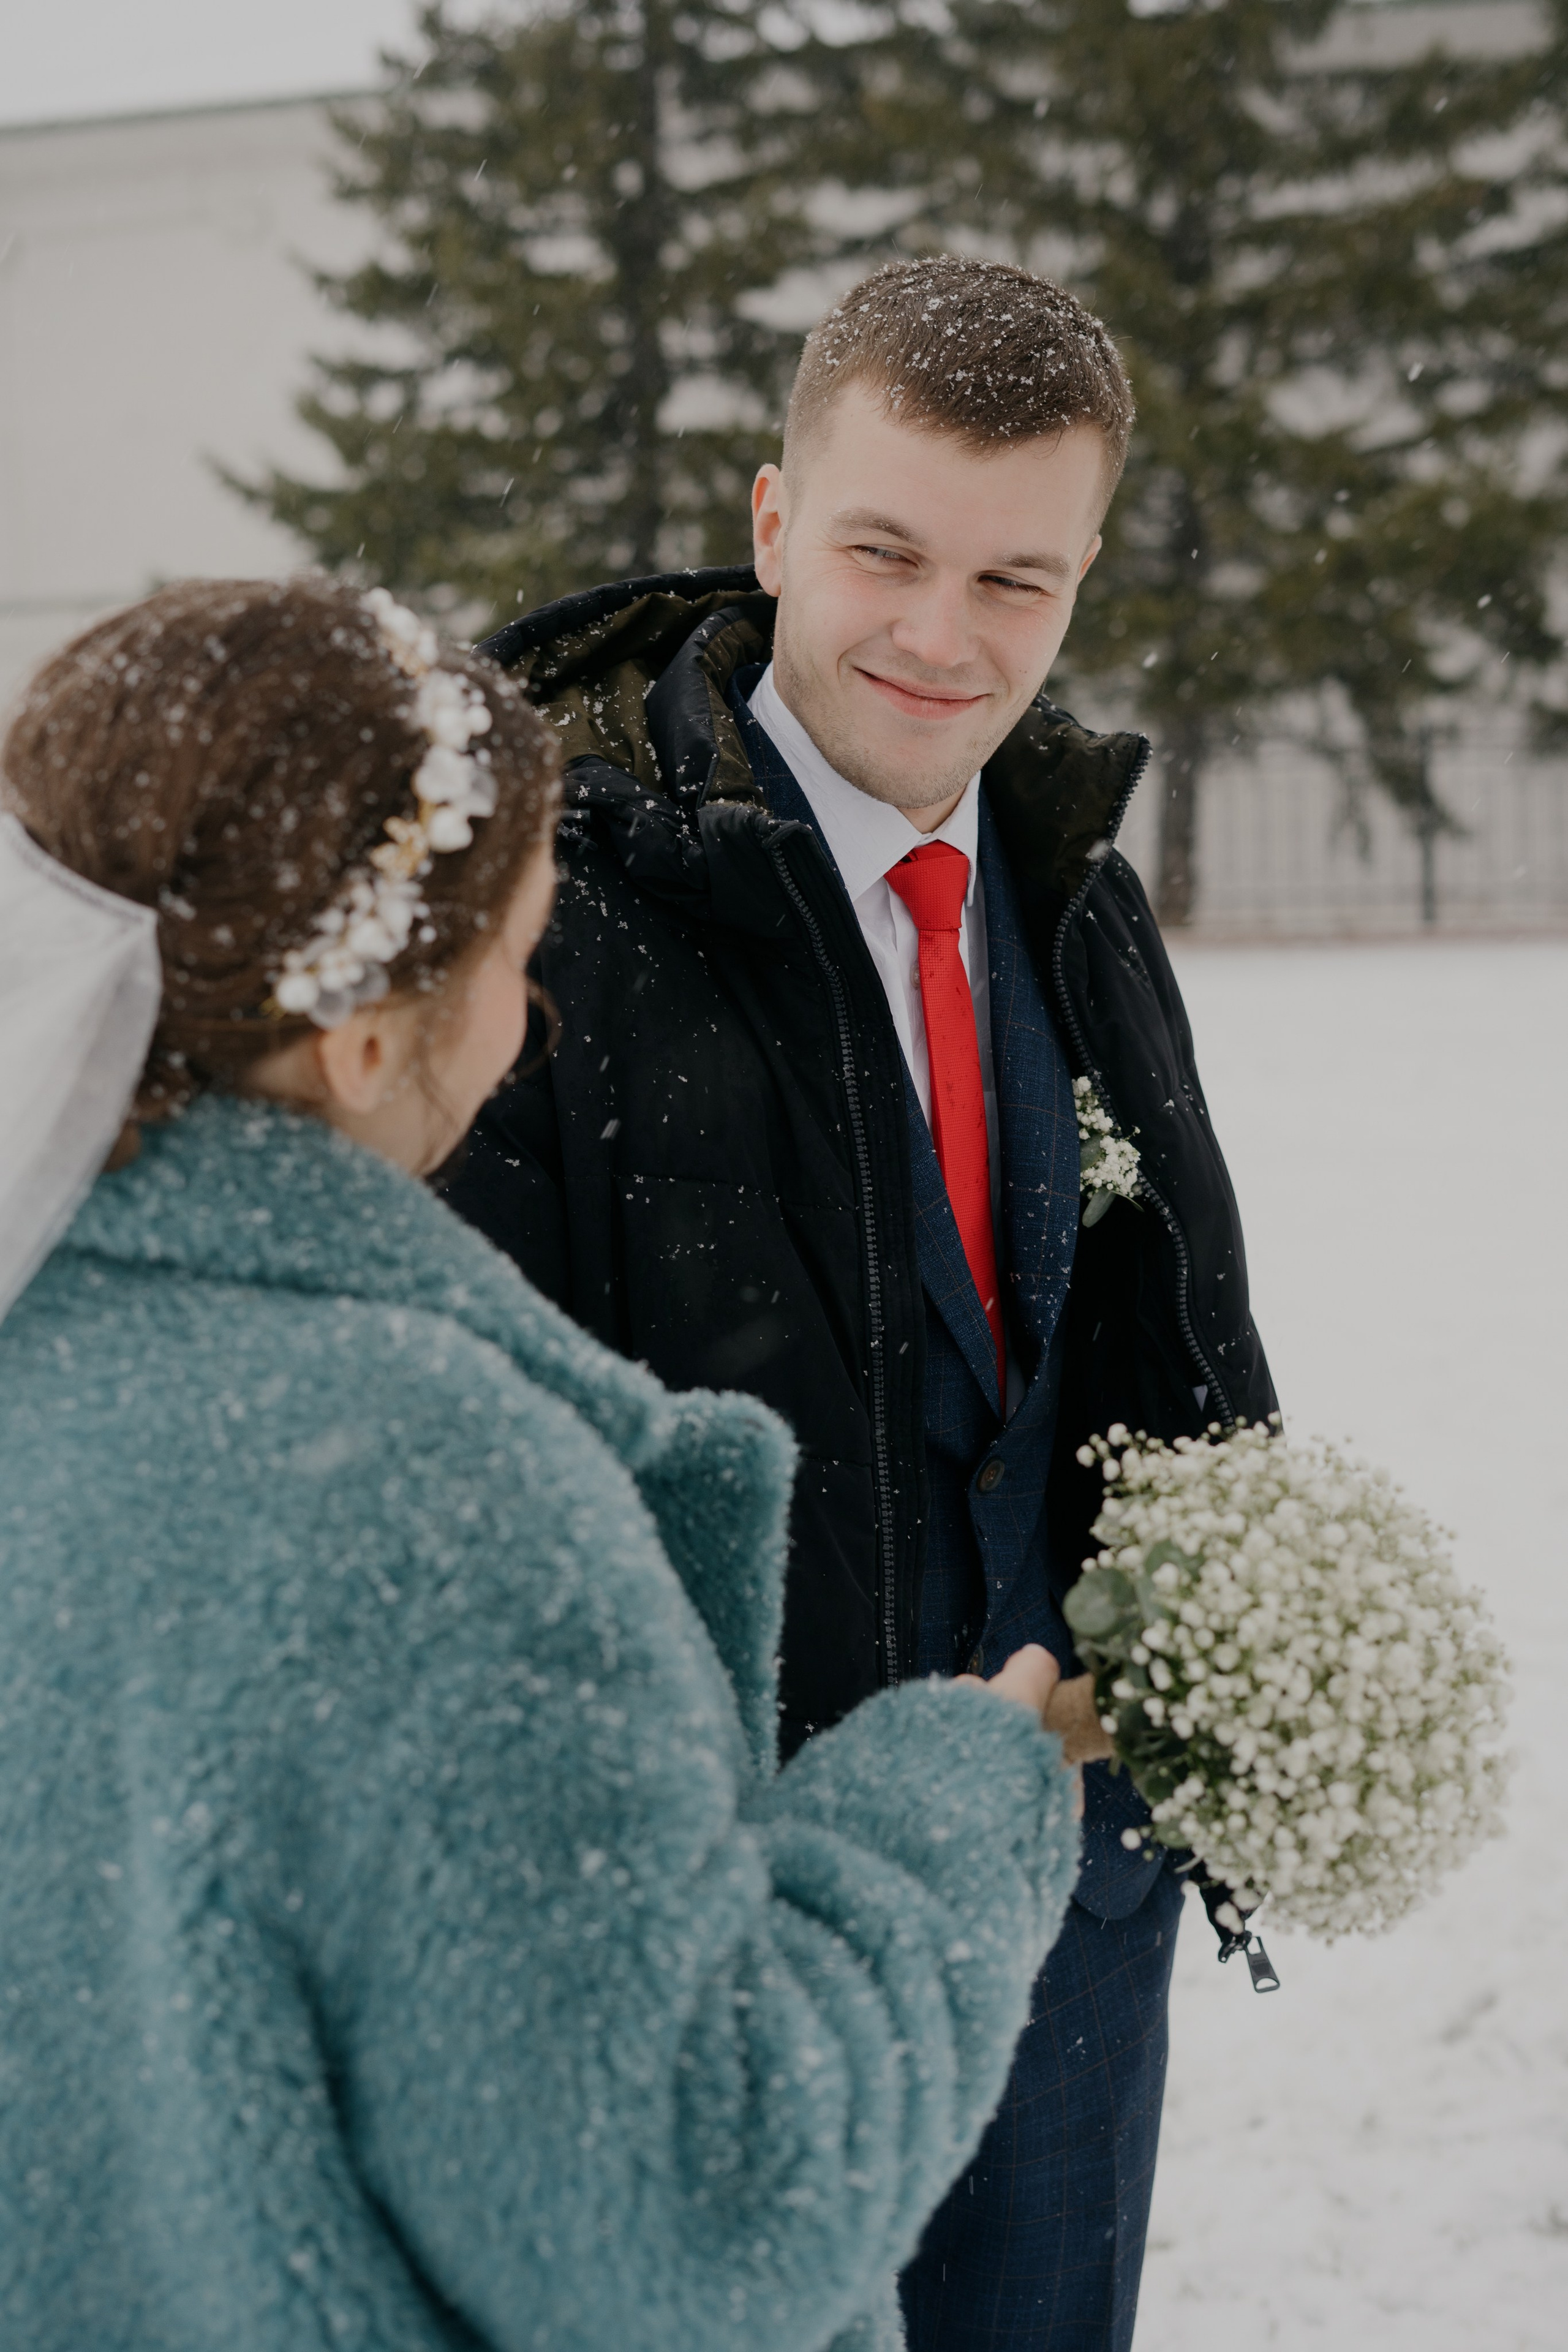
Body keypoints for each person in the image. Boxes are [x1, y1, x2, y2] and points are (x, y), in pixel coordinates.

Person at [0, 575, 1085, 2352]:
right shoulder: (432, 1504)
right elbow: (694, 2218)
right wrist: (951, 1799)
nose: (534, 1028)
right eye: (514, 966)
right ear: (360, 1037)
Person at [445, 254, 1278, 2352]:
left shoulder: (1070, 876)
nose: (939, 635)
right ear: (770, 521)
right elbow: (489, 1433)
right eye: (883, 550)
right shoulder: (566, 900)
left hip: (1066, 1891)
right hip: (737, 1905)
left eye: (1017, 580)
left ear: (1083, 575)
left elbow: (1164, 1300)